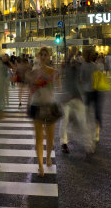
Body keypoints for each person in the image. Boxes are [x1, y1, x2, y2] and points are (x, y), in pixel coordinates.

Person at [26, 48, 60, 177]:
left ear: (49, 57)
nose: (44, 57)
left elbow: (58, 86)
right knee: (39, 138)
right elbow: (30, 90)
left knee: (50, 137)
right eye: (42, 55)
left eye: (46, 55)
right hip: (36, 105)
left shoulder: (53, 72)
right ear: (38, 56)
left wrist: (54, 77)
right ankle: (40, 165)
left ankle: (48, 157)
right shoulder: (33, 73)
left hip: (50, 105)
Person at [59, 49, 91, 154]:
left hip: (77, 98)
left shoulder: (79, 68)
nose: (73, 61)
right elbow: (66, 62)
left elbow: (83, 78)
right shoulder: (66, 67)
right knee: (65, 121)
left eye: (75, 60)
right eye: (71, 60)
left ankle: (88, 143)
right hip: (67, 99)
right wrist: (70, 55)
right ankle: (64, 143)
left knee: (82, 121)